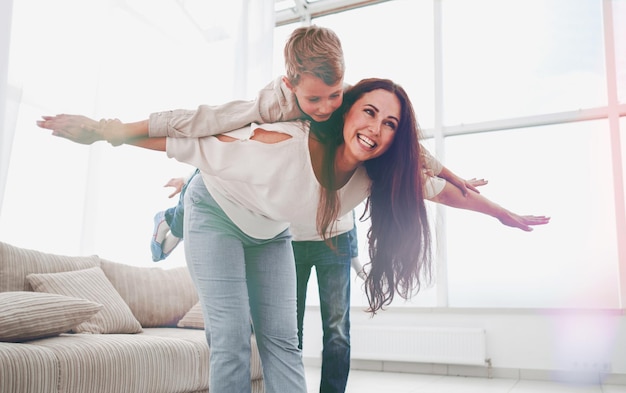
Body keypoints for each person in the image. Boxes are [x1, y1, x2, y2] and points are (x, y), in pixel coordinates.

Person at [38, 78, 550, 393]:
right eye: (369, 111)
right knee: (234, 336)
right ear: (347, 110)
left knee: (282, 342)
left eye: (391, 123)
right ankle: (165, 222)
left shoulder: (377, 173)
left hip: (269, 230)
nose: (377, 128)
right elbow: (187, 138)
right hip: (215, 209)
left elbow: (443, 190)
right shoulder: (282, 141)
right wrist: (105, 133)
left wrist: (503, 214)